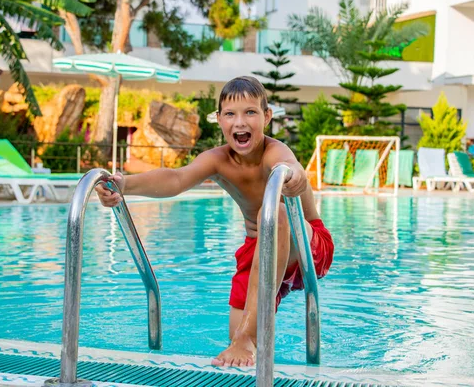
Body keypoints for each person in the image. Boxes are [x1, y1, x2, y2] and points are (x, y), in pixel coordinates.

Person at [96, 76, 334, 367]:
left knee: (276, 214)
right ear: (219, 120)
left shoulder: (274, 152)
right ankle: (246, 340)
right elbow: (176, 178)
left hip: (307, 243)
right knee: (239, 346)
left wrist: (295, 177)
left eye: (250, 112)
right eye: (230, 114)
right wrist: (123, 185)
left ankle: (248, 337)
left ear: (267, 117)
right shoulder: (218, 160)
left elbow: (289, 165)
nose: (240, 122)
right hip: (258, 252)